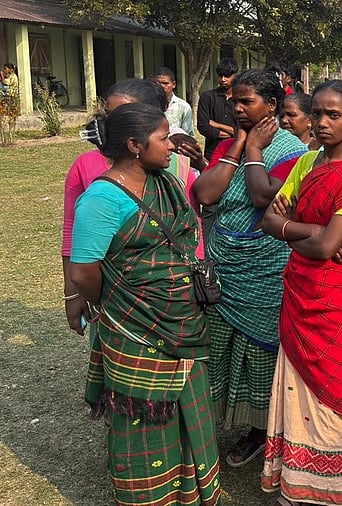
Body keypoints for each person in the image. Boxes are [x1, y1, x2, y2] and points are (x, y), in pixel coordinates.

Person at [69, 102, 221, 505]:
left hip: (182, 319)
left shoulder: (165, 182)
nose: (172, 145)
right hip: (133, 326)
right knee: (143, 414)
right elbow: (84, 273)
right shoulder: (100, 200)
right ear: (135, 145)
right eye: (163, 138)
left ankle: (192, 491)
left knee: (188, 407)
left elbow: (188, 233)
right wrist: (121, 300)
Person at [259, 79, 342, 506]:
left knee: (337, 389)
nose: (323, 122)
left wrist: (300, 230)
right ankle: (297, 481)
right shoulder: (307, 163)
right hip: (299, 291)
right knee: (297, 383)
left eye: (335, 115)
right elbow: (270, 223)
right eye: (318, 113)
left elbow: (327, 248)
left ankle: (335, 487)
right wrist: (310, 227)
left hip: (335, 299)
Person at [193, 69, 306, 467]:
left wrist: (254, 149)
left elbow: (263, 198)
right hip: (225, 263)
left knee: (259, 352)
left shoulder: (294, 151)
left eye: (247, 102)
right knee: (218, 344)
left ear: (271, 106)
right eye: (234, 102)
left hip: (266, 268)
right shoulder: (229, 144)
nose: (237, 108)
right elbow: (205, 194)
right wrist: (240, 143)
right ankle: (218, 420)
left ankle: (259, 430)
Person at [63, 78, 204, 336]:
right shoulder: (94, 184)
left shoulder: (176, 170)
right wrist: (87, 297)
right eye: (112, 115)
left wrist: (195, 283)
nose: (116, 123)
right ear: (134, 144)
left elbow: (191, 233)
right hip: (122, 308)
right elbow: (78, 254)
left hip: (178, 303)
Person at [198, 57, 238, 160]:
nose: (223, 79)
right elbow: (203, 127)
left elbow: (242, 129)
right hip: (212, 152)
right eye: (220, 76)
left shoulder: (240, 99)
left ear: (235, 75)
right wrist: (233, 134)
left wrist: (217, 125)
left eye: (227, 76)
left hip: (236, 151)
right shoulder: (207, 97)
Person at [155, 67, 194, 135]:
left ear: (174, 84)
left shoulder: (183, 107)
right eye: (158, 83)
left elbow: (188, 134)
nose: (161, 86)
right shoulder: (148, 104)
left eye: (165, 83)